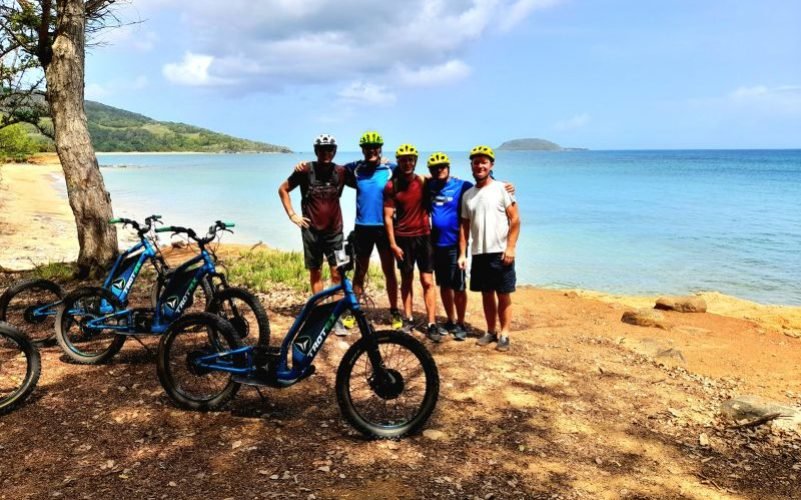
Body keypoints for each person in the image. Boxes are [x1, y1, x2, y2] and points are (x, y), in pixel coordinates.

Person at [278, 133, 348, 334]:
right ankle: (321, 314)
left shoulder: (341, 172)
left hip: (336, 232)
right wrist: (292, 215)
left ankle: (336, 316)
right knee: (315, 271)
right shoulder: (305, 170)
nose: (326, 153)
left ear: (334, 151)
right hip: (311, 232)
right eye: (322, 149)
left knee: (339, 273)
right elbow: (283, 189)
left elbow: (366, 176)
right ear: (316, 151)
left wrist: (386, 165)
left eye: (330, 149)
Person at [458, 145, 520, 352]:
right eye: (476, 162)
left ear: (491, 165)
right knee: (486, 294)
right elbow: (464, 228)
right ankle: (491, 330)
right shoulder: (468, 195)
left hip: (500, 251)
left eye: (484, 161)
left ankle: (505, 334)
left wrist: (510, 248)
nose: (480, 165)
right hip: (479, 252)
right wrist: (462, 254)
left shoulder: (502, 189)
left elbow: (516, 220)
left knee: (503, 293)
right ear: (472, 166)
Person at [343, 131, 403, 329]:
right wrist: (304, 167)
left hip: (385, 228)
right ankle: (354, 311)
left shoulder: (391, 169)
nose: (372, 150)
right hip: (362, 227)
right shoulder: (355, 169)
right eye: (368, 148)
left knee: (389, 271)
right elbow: (332, 171)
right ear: (362, 150)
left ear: (380, 148)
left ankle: (394, 311)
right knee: (360, 272)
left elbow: (414, 178)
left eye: (375, 147)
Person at [383, 144, 439, 342]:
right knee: (406, 279)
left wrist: (499, 182)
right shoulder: (392, 186)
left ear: (415, 161)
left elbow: (445, 178)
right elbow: (388, 217)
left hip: (424, 237)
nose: (407, 163)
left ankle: (432, 323)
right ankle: (408, 318)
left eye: (411, 159)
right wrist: (392, 244)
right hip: (402, 239)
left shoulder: (423, 181)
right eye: (403, 159)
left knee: (427, 281)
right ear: (398, 162)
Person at [425, 152, 472, 341]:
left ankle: (460, 323)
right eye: (435, 168)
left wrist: (505, 186)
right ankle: (451, 320)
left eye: (443, 166)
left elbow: (484, 185)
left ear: (449, 167)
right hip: (436, 245)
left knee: (459, 286)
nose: (439, 170)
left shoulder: (462, 186)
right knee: (444, 285)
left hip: (456, 244)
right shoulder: (430, 186)